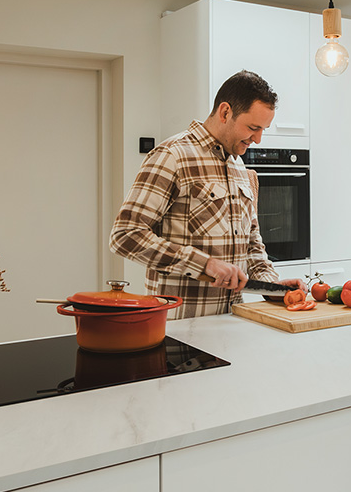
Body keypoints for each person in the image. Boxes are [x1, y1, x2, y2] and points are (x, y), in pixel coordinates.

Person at [110, 70, 303, 318]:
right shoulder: (172, 156)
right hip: (180, 327)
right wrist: (205, 264)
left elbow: (252, 244)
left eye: (263, 129)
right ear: (225, 112)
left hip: (233, 323)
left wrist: (273, 286)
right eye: (253, 127)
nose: (258, 139)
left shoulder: (238, 165)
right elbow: (125, 235)